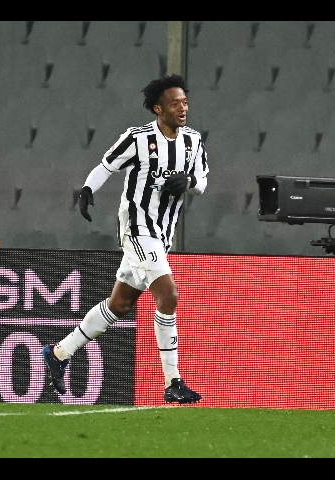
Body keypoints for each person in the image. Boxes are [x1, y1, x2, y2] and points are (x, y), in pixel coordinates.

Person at [42, 74, 209, 404]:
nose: (183, 108)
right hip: (137, 227)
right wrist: (87, 190)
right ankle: (173, 381)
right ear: (159, 109)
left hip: (162, 233)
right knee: (169, 296)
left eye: (185, 102)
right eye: (175, 104)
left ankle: (59, 353)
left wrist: (189, 182)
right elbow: (106, 166)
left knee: (119, 304)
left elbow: (202, 181)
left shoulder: (193, 141)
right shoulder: (137, 138)